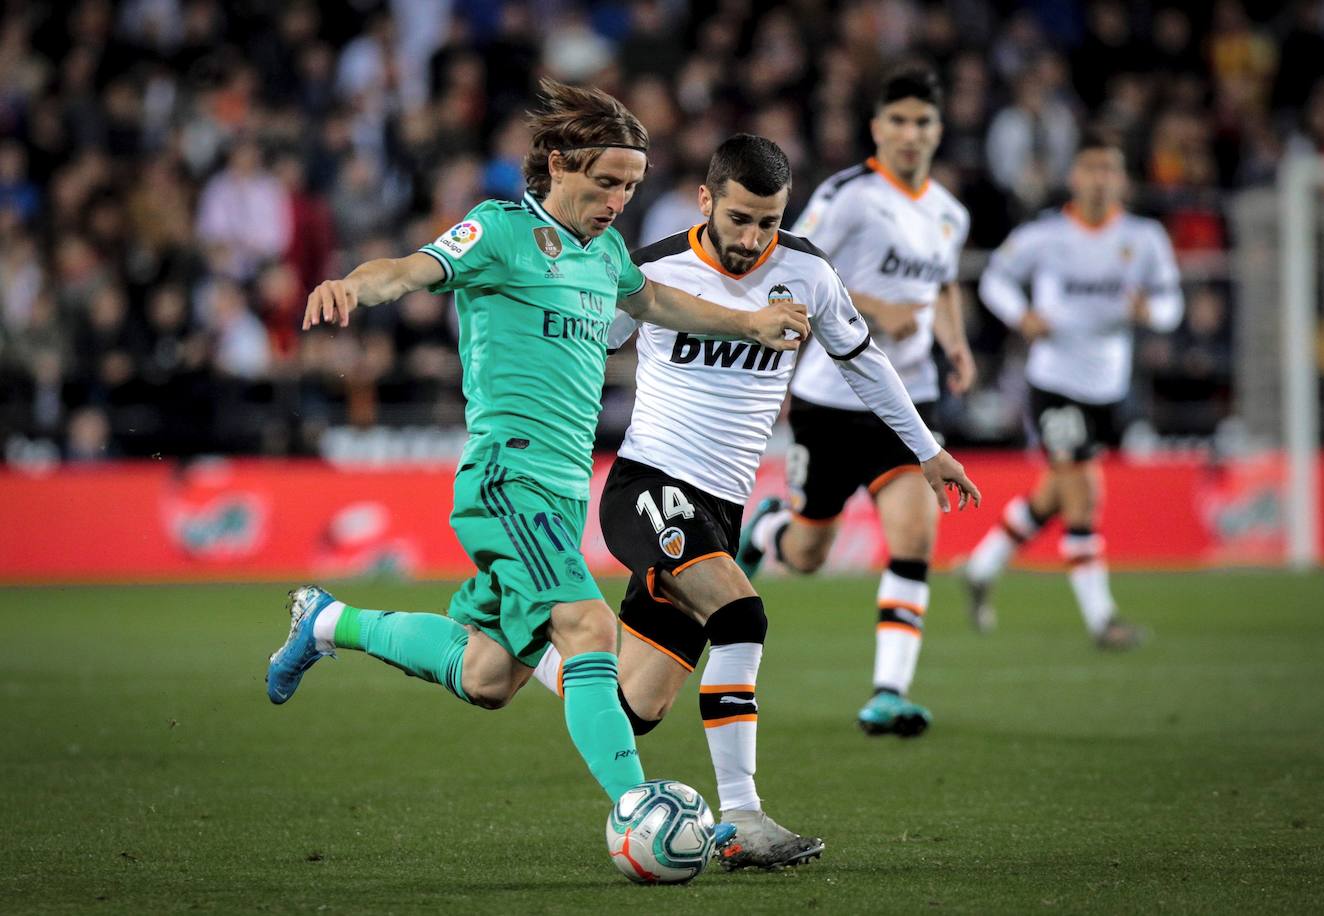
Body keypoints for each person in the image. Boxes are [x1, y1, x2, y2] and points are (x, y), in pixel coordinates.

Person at [263, 80, 809, 818]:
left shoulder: (606, 253)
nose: (619, 199)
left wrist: (748, 324)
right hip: (506, 476)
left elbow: (656, 302)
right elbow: (406, 269)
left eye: (632, 185)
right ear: (558, 164)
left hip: (560, 490)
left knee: (488, 676)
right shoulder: (498, 231)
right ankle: (638, 809)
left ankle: (328, 622)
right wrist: (355, 287)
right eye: (607, 181)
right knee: (587, 628)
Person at [529, 134, 980, 868]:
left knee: (634, 708)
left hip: (720, 508)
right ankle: (741, 819)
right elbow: (580, 346)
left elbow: (864, 363)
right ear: (705, 200)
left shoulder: (806, 272)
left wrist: (927, 450)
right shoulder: (652, 270)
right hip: (648, 484)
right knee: (742, 615)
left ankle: (520, 639)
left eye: (768, 222)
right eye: (738, 218)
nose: (752, 238)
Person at [734, 66, 977, 738]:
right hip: (829, 399)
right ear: (877, 127)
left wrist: (954, 345)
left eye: (922, 122)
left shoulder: (949, 213)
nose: (909, 133)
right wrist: (873, 308)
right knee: (808, 555)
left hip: (908, 402)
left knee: (915, 537)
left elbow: (945, 288)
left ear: (937, 129)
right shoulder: (847, 196)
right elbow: (793, 265)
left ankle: (888, 692)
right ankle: (769, 530)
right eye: (897, 120)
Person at [963, 132, 1182, 648]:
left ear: (1122, 179)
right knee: (1084, 492)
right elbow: (994, 278)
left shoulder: (1144, 237)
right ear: (1074, 176)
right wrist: (1023, 316)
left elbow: (1172, 303)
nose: (1101, 178)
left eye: (1110, 169)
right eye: (1091, 168)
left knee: (1057, 493)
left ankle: (981, 565)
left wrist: (1152, 314)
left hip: (1109, 386)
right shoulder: (1044, 235)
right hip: (1054, 381)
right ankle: (1102, 620)